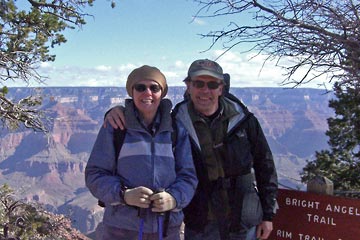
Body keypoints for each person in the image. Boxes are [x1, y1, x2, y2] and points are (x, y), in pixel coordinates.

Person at [104, 60, 278, 240]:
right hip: (201, 222)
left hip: (243, 219)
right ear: (188, 86)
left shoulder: (244, 121)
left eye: (212, 84)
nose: (205, 90)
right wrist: (117, 111)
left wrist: (267, 215)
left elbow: (265, 165)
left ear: (221, 88)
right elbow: (146, 118)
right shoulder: (175, 123)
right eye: (198, 84)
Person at [85, 65, 198, 240]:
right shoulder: (116, 129)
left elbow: (188, 176)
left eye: (154, 88)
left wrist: (174, 198)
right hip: (121, 230)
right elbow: (95, 174)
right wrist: (124, 195)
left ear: (162, 92)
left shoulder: (175, 129)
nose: (148, 93)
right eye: (140, 87)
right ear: (132, 91)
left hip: (167, 229)